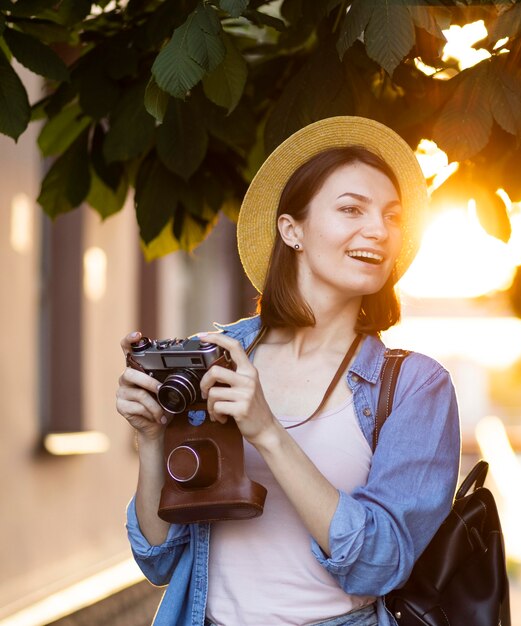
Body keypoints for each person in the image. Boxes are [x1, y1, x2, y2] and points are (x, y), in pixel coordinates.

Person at [116, 116, 461, 626]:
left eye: (392, 216)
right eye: (351, 209)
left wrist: (268, 433)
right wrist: (151, 439)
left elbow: (378, 564)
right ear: (291, 229)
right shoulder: (218, 357)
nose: (379, 230)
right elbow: (160, 559)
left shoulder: (415, 388)